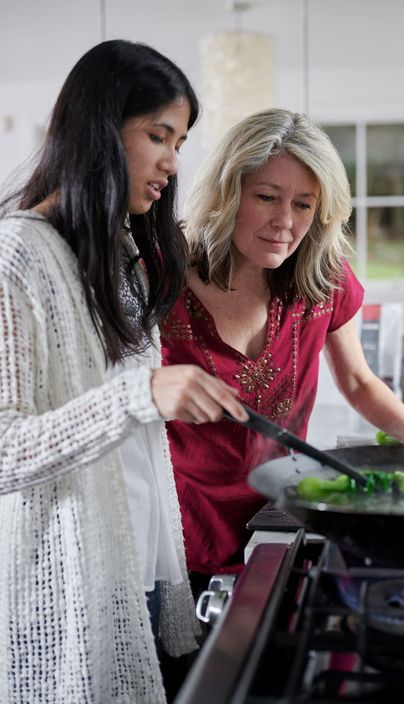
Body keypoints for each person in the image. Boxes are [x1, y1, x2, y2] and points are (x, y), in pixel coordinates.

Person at [0, 39, 247, 704]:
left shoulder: (116, 258)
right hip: (60, 591)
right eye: (157, 135)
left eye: (181, 140)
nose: (172, 161)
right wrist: (138, 394)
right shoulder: (15, 256)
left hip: (126, 571)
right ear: (98, 130)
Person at [160, 107, 404, 587]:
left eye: (304, 205)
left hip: (283, 513)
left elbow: (358, 382)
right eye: (267, 197)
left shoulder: (324, 281)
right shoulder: (162, 278)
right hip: (178, 522)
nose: (284, 223)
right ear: (227, 194)